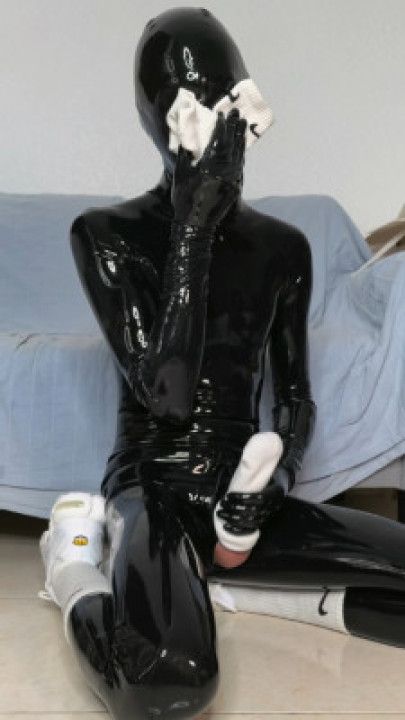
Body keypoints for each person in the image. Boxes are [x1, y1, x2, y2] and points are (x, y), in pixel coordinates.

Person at [38, 8, 405, 720]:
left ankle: (235, 586)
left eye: (223, 93)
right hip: (154, 487)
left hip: (238, 495)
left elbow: (294, 398)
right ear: (157, 121)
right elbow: (168, 398)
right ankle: (73, 569)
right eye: (185, 103)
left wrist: (276, 482)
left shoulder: (283, 248)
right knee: (166, 682)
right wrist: (192, 231)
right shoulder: (106, 235)